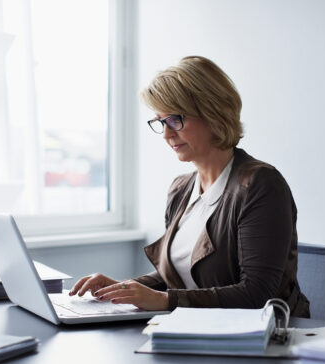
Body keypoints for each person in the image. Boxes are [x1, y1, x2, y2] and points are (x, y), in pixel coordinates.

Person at [69, 56, 310, 317]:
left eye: (175, 119)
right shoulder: (181, 189)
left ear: (213, 113)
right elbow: (175, 277)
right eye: (160, 122)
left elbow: (256, 294)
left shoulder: (260, 185)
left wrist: (164, 301)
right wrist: (123, 288)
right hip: (200, 330)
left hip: (258, 342)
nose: (166, 134)